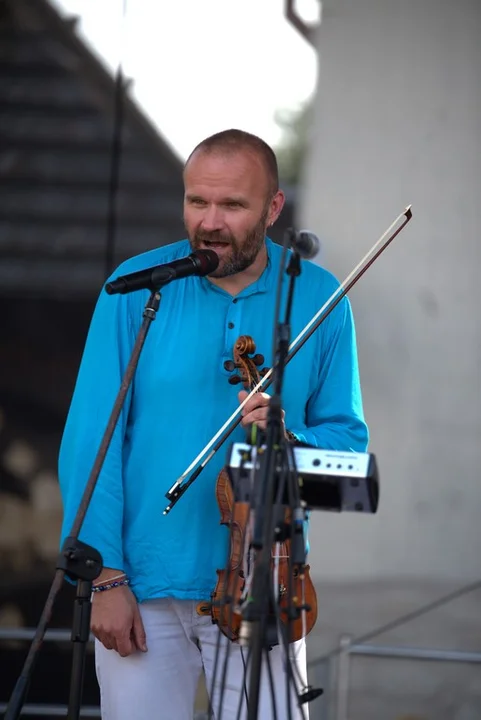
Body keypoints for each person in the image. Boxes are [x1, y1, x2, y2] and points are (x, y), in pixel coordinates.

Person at [58, 129, 369, 720]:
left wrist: (292, 440)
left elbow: (347, 465)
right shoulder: (135, 290)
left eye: (232, 205)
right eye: (197, 201)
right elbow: (91, 443)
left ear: (273, 208)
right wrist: (103, 577)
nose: (210, 221)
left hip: (265, 587)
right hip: (143, 583)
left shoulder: (322, 299)